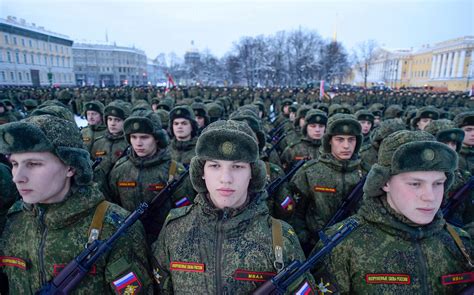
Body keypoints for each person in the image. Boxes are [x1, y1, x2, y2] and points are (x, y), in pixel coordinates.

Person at [152, 120, 315, 294]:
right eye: (215, 166)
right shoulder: (175, 229)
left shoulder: (280, 237)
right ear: (202, 173)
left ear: (253, 173)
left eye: (237, 166)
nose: (226, 178)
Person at [0, 115, 153, 293]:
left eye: (33, 164)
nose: (17, 177)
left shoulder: (113, 227)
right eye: (14, 164)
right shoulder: (14, 219)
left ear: (70, 167)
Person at [312, 130, 473, 294]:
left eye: (438, 184)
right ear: (385, 183)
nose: (430, 197)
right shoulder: (340, 246)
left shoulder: (460, 243)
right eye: (415, 184)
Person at [108, 110, 195, 243]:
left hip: (165, 241)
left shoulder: (174, 170)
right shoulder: (120, 169)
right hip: (127, 241)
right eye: (133, 137)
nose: (138, 143)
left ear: (156, 138)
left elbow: (185, 212)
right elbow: (112, 206)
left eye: (144, 137)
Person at [290, 114, 367, 253]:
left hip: (358, 250)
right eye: (339, 139)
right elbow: (296, 214)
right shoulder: (310, 172)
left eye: (351, 140)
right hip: (315, 247)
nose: (346, 145)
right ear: (329, 141)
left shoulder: (366, 173)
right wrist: (305, 240)